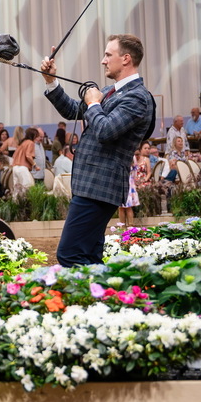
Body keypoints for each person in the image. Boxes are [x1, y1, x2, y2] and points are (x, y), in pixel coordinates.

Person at [40, 32, 156, 267]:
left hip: (100, 187)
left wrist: (93, 103)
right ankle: (103, 300)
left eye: (107, 54)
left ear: (125, 59)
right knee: (88, 256)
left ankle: (97, 297)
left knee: (69, 254)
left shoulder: (138, 97)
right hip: (91, 185)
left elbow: (106, 130)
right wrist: (51, 81)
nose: (103, 60)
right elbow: (73, 110)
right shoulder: (112, 91)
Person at [8, 126, 40, 194]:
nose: (37, 138)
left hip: (15, 168)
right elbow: (28, 155)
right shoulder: (30, 143)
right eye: (37, 136)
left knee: (17, 191)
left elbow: (14, 156)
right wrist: (35, 165)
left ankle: (16, 204)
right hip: (23, 168)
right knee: (28, 188)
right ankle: (27, 204)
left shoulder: (22, 143)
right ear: (34, 135)